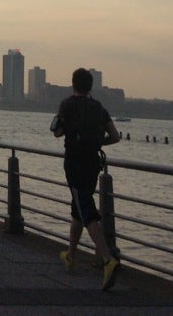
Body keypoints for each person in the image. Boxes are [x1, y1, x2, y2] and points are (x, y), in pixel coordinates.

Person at [51, 67, 122, 290]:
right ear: (90, 86)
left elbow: (57, 132)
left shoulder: (67, 104)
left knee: (87, 212)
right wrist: (97, 143)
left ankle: (107, 259)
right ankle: (71, 255)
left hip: (74, 163)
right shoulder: (99, 108)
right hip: (93, 163)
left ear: (73, 84)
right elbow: (115, 136)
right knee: (79, 208)